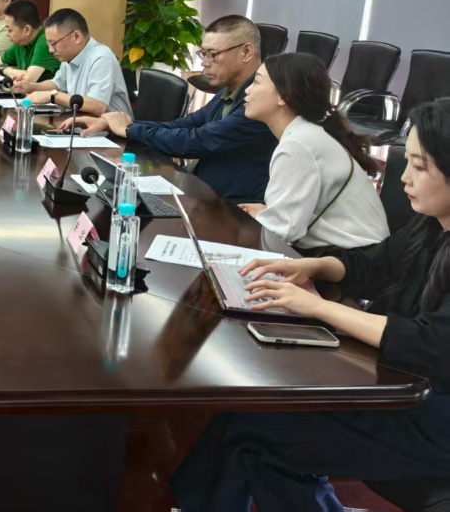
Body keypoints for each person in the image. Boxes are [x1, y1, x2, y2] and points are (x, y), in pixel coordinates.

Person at [171, 97, 450, 512]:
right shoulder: (431, 225)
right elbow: (375, 264)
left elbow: (432, 345)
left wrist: (316, 307)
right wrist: (312, 266)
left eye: (420, 166)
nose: (405, 177)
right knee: (248, 418)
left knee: (254, 430)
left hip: (433, 418)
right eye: (407, 162)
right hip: (406, 387)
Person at [66, 15, 276, 201]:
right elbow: (184, 125)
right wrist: (118, 124)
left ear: (246, 52)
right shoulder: (229, 91)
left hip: (232, 209)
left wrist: (129, 129)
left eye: (213, 54)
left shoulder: (259, 101)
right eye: (203, 54)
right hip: (203, 193)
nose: (204, 63)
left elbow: (198, 140)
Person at [239, 52, 388, 251]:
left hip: (354, 259)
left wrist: (249, 222)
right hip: (355, 253)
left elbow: (282, 231)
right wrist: (266, 213)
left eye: (257, 82)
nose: (247, 90)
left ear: (283, 96)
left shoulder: (298, 144)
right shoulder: (307, 134)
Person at [15, 8, 132, 116]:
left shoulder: (101, 57)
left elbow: (97, 106)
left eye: (54, 43)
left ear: (76, 37)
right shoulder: (69, 57)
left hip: (111, 130)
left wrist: (53, 96)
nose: (51, 50)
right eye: (48, 43)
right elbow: (57, 84)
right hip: (80, 124)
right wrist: (30, 86)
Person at [0, 0, 59, 85]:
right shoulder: (21, 42)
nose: (7, 34)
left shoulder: (45, 41)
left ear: (27, 29)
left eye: (10, 30)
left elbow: (29, 78)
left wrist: (3, 69)